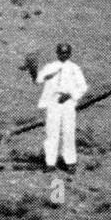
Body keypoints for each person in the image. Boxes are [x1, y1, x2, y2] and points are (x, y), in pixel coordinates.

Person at [31, 43, 88, 172]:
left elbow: (83, 87)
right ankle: (50, 163)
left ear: (70, 54)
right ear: (57, 53)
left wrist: (70, 95)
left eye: (66, 53)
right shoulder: (50, 67)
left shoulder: (74, 68)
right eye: (61, 52)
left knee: (68, 132)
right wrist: (32, 69)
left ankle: (70, 162)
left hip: (68, 103)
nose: (64, 55)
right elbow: (38, 80)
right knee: (52, 132)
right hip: (53, 102)